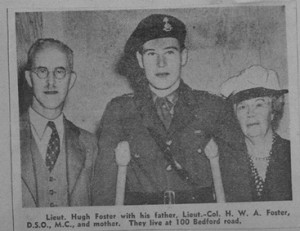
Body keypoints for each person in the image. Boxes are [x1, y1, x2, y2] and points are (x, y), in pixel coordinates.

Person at [92, 14, 246, 205]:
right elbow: (104, 189)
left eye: (169, 52)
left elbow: (238, 187)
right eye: (151, 54)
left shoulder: (213, 108)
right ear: (140, 60)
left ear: (183, 56)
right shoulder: (120, 111)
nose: (161, 63)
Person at [20, 38, 98, 207]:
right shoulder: (6, 137)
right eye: (42, 71)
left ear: (71, 80)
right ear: (28, 78)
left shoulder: (90, 144)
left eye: (60, 72)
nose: (51, 82)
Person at [220, 65, 292, 201]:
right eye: (242, 107)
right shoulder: (224, 159)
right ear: (235, 116)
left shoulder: (292, 153)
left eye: (259, 104)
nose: (250, 114)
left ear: (273, 111)